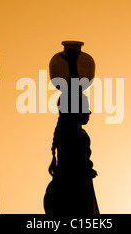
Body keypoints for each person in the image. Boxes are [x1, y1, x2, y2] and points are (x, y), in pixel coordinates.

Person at [44, 47, 99, 214]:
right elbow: (74, 91)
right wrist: (73, 65)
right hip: (68, 194)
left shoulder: (73, 130)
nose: (89, 112)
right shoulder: (68, 129)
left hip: (75, 190)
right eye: (85, 107)